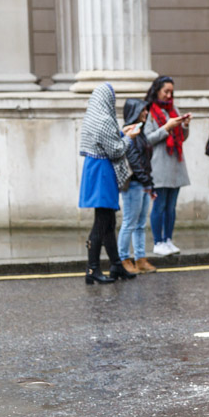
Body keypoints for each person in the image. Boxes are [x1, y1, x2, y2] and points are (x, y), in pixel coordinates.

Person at [77, 83, 138, 284]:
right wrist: (128, 138)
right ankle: (92, 268)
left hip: (95, 169)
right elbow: (116, 150)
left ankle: (116, 265)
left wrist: (122, 132)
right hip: (102, 172)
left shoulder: (93, 117)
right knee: (102, 223)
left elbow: (107, 140)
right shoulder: (104, 119)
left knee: (109, 221)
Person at [145, 75, 191, 257]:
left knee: (171, 206)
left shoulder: (173, 109)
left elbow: (182, 138)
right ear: (157, 90)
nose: (169, 95)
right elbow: (147, 139)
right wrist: (166, 127)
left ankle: (168, 240)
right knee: (160, 206)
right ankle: (158, 242)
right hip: (159, 165)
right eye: (166, 91)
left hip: (176, 164)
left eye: (171, 91)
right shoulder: (149, 111)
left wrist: (184, 126)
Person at [117, 99, 158, 275]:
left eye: (146, 110)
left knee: (140, 223)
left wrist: (148, 183)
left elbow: (144, 161)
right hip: (133, 183)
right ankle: (123, 258)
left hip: (142, 183)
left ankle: (140, 258)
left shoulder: (139, 132)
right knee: (130, 222)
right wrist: (147, 182)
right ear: (133, 112)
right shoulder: (131, 132)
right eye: (142, 110)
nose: (146, 113)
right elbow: (134, 160)